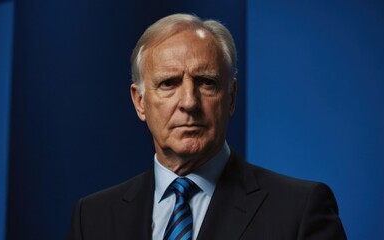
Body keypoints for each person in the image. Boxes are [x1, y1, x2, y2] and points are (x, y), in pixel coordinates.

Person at [68, 13, 346, 240]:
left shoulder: (300, 210)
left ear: (232, 97)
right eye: (169, 83)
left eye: (207, 82)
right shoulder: (92, 218)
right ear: (139, 102)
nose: (189, 102)